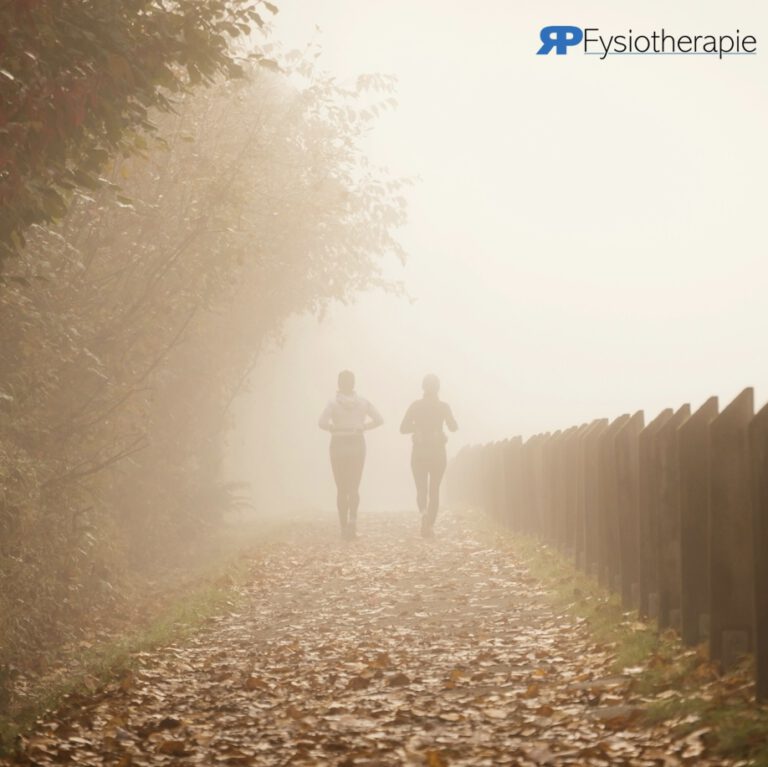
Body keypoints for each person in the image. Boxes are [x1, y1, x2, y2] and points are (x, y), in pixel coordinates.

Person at [318, 370, 383, 540]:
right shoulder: (363, 402)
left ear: (339, 384)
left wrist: (332, 427)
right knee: (354, 487)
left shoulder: (332, 403)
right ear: (354, 384)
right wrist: (363, 426)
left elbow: (322, 422)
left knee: (341, 488)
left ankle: (343, 526)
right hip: (357, 443)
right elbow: (379, 419)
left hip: (338, 444)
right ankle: (352, 522)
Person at [400, 374, 458, 537]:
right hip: (437, 451)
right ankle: (430, 526)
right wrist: (443, 429)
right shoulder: (443, 407)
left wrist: (416, 429)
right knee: (434, 490)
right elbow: (454, 427)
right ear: (438, 388)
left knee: (421, 488)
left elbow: (403, 428)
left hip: (419, 451)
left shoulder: (415, 406)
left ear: (423, 387)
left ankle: (424, 514)